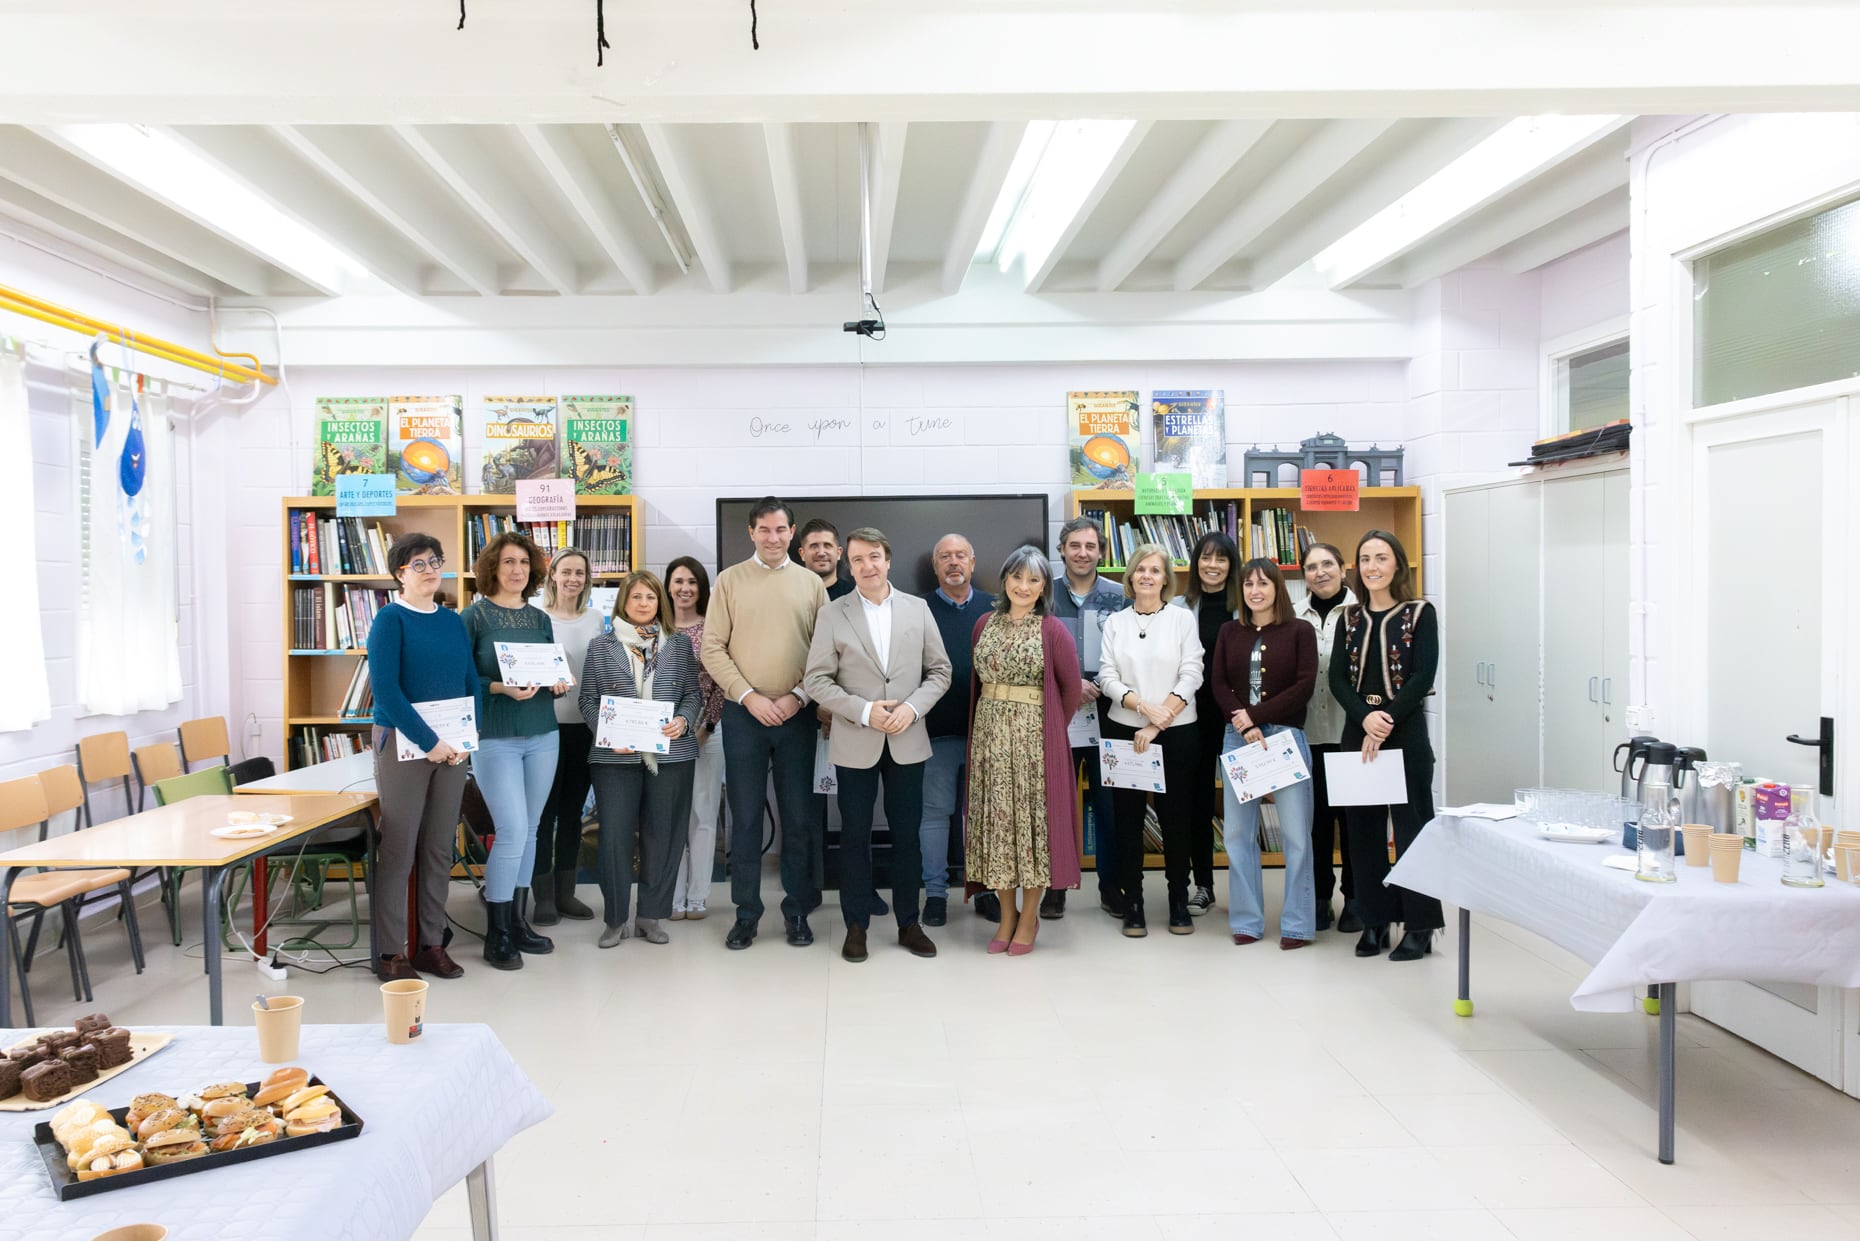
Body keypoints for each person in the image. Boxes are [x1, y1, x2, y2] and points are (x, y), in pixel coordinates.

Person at [803, 528, 952, 963]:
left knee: (907, 836)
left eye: (874, 557)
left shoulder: (918, 608)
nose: (867, 566)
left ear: (888, 560)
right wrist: (865, 711)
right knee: (854, 837)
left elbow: (939, 672)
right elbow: (815, 680)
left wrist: (912, 709)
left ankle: (909, 922)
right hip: (856, 739)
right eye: (858, 560)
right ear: (849, 565)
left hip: (908, 737)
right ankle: (856, 926)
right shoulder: (833, 613)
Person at [701, 497, 829, 950]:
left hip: (797, 715)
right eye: (764, 530)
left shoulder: (811, 584)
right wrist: (749, 697)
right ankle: (747, 914)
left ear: (791, 533)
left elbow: (824, 653)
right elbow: (712, 648)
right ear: (751, 533)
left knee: (798, 819)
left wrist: (798, 697)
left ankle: (796, 912)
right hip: (745, 716)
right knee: (747, 819)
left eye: (780, 530)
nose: (773, 538)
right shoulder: (729, 581)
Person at [365, 532, 477, 983]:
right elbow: (387, 692)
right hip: (405, 745)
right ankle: (391, 952)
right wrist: (429, 741)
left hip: (454, 748)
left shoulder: (452, 621)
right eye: (419, 564)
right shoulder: (390, 620)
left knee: (437, 847)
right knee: (399, 848)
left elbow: (470, 680)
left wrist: (470, 736)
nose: (430, 569)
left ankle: (431, 943)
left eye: (436, 561)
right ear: (399, 573)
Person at [1330, 529, 1441, 962]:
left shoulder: (1420, 613)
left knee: (1413, 830)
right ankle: (1374, 921)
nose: (1373, 567)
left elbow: (1422, 677)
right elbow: (1337, 678)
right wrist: (1365, 718)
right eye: (1366, 559)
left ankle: (1420, 925)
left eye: (1382, 557)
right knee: (1363, 832)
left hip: (1406, 733)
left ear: (1397, 564)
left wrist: (1387, 719)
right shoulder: (1349, 617)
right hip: (1358, 735)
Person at [965, 546, 1083, 955]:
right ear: (1005, 580)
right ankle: (1007, 915)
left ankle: (1029, 918)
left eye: (1034, 580)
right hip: (988, 742)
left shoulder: (1052, 630)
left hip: (1035, 746)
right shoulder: (984, 624)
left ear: (1044, 587)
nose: (1024, 586)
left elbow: (1071, 689)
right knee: (998, 829)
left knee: (1032, 832)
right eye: (1017, 577)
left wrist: (1049, 731)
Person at [462, 531, 567, 970]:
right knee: (511, 830)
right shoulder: (473, 617)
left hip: (543, 732)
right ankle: (497, 932)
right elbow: (464, 683)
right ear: (493, 567)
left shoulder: (540, 620)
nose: (517, 570)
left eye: (524, 563)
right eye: (508, 562)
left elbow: (548, 671)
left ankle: (518, 922)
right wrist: (499, 687)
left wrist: (558, 682)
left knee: (532, 829)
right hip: (495, 738)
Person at [579, 571, 702, 948]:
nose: (644, 603)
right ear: (624, 603)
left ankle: (651, 914)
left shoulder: (678, 646)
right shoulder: (601, 647)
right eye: (636, 597)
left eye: (650, 597)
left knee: (663, 835)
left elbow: (692, 694)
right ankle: (615, 918)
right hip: (614, 759)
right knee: (614, 836)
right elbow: (587, 700)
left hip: (672, 755)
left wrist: (683, 720)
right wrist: (609, 733)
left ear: (659, 603)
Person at [1096, 544, 1204, 937]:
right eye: (1140, 569)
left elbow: (1192, 673)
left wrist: (1159, 720)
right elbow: (1107, 677)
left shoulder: (1181, 619)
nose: (1146, 576)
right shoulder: (1115, 622)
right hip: (1125, 729)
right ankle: (1134, 903)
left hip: (1176, 729)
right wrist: (1144, 708)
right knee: (1127, 819)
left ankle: (1179, 900)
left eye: (1154, 570)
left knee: (1177, 818)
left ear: (1165, 578)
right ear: (1130, 576)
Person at [1211, 559, 1318, 948]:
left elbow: (1304, 684)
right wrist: (1245, 725)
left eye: (1263, 583)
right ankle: (1247, 921)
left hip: (1285, 738)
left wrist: (1255, 717)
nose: (1255, 591)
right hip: (1238, 739)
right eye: (1249, 585)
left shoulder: (1300, 630)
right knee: (1238, 834)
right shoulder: (1228, 631)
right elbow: (1219, 683)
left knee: (1296, 836)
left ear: (1278, 588)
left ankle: (1297, 924)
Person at [1049, 514, 1130, 920]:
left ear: (1101, 551)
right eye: (1075, 546)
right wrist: (1069, 685)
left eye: (1090, 546)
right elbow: (1034, 652)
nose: (1083, 553)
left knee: (1109, 803)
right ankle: (1055, 886)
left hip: (1110, 715)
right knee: (1055, 803)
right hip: (1058, 717)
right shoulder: (1042, 594)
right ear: (1062, 549)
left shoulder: (1121, 597)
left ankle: (1110, 887)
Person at [919, 533, 994, 927]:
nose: (953, 562)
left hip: (987, 736)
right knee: (934, 815)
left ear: (973, 562)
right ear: (935, 566)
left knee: (979, 816)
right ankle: (934, 894)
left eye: (960, 555)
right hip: (935, 734)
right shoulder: (918, 609)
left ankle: (982, 889)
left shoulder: (994, 608)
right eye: (944, 556)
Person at [529, 547, 603, 927]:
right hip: (544, 724)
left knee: (573, 812)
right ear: (552, 575)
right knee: (544, 814)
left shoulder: (596, 618)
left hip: (584, 726)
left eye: (580, 572)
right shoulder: (534, 616)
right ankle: (542, 898)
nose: (573, 578)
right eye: (566, 571)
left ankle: (566, 893)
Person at [1295, 541, 1360, 933]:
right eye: (1311, 567)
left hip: (1350, 733)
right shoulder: (1295, 616)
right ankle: (1320, 897)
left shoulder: (1361, 612)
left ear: (1342, 567)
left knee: (1354, 823)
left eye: (1327, 564)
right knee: (1314, 823)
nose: (1319, 572)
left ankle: (1355, 897)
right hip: (1307, 736)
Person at [1176, 530, 1239, 917]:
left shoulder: (1244, 607)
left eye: (1221, 558)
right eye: (1205, 557)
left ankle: (1245, 890)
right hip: (1193, 718)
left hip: (1237, 719)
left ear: (1231, 565)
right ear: (1195, 563)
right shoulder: (1181, 607)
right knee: (1196, 801)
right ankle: (1203, 885)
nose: (1212, 565)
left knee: (1241, 801)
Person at [666, 556, 725, 921]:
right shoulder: (652, 627)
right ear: (668, 586)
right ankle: (671, 896)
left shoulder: (713, 629)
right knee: (669, 818)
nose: (685, 588)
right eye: (678, 581)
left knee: (703, 815)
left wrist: (707, 728)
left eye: (692, 582)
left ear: (702, 589)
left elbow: (721, 683)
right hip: (663, 738)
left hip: (707, 733)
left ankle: (698, 896)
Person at [797, 517, 855, 601]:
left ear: (839, 553)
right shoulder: (789, 593)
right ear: (802, 553)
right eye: (814, 546)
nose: (821, 553)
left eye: (827, 546)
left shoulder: (854, 595)